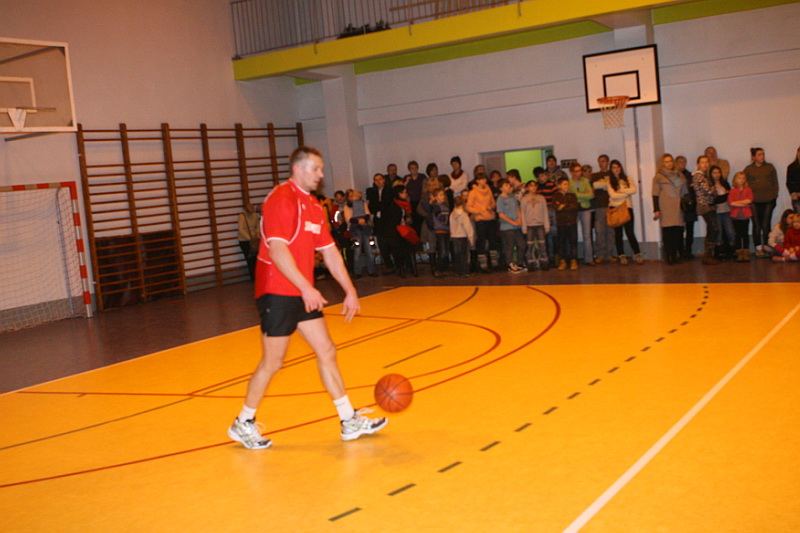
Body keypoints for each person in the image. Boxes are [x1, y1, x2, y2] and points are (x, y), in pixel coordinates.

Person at [227, 146, 387, 450]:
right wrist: (305, 287)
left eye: (321, 169)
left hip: (302, 292)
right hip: (277, 290)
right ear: (298, 169)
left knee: (326, 349)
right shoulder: (281, 199)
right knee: (273, 361)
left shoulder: (313, 205)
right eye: (316, 169)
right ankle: (243, 422)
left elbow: (329, 251)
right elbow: (277, 250)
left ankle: (348, 420)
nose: (321, 174)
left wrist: (350, 290)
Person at [744, 147, 779, 257]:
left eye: (763, 154)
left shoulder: (770, 167)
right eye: (759, 154)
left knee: (766, 224)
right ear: (753, 157)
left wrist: (774, 195)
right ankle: (758, 247)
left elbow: (775, 183)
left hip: (768, 200)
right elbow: (745, 184)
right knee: (756, 224)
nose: (762, 156)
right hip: (754, 201)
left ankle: (766, 246)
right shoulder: (748, 169)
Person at [652, 154, 686, 265]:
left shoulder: (679, 175)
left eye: (670, 161)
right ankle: (669, 255)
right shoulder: (658, 176)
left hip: (678, 205)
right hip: (665, 206)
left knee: (678, 231)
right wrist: (656, 209)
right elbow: (655, 194)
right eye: (666, 161)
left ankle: (676, 254)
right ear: (662, 163)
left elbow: (685, 192)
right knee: (668, 232)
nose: (669, 163)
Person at [608, 159, 643, 265]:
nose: (616, 169)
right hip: (615, 209)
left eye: (618, 167)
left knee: (630, 232)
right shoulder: (609, 181)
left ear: (621, 168)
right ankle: (621, 255)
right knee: (618, 234)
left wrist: (622, 190)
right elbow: (613, 195)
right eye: (614, 167)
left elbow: (634, 190)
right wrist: (626, 194)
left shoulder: (628, 179)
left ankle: (637, 253)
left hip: (627, 208)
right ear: (611, 169)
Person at [692, 155, 720, 265]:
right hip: (705, 205)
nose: (705, 164)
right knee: (714, 228)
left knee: (711, 229)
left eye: (706, 162)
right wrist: (714, 188)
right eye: (702, 162)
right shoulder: (699, 176)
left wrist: (713, 190)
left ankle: (708, 256)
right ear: (698, 164)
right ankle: (707, 256)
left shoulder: (704, 176)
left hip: (709, 204)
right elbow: (709, 191)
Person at [466, 172, 497, 273]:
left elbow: (493, 202)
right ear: (477, 181)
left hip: (490, 217)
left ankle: (494, 262)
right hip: (480, 219)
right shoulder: (473, 192)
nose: (484, 181)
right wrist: (479, 211)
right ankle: (483, 264)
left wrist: (491, 207)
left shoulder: (488, 190)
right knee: (482, 241)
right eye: (482, 179)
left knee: (492, 240)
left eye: (485, 179)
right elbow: (468, 206)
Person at [344, 189, 377, 278]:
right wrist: (359, 221)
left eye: (353, 195)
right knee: (357, 251)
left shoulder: (363, 203)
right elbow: (348, 219)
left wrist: (364, 220)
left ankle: (372, 270)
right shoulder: (347, 207)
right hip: (355, 230)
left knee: (369, 250)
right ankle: (357, 272)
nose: (353, 197)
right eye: (350, 196)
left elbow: (367, 213)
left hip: (365, 228)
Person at [366, 173, 395, 274]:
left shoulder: (389, 191)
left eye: (380, 179)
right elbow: (371, 207)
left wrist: (379, 205)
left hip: (389, 220)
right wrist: (379, 206)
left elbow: (387, 204)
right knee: (382, 244)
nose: (378, 181)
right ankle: (388, 265)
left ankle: (397, 264)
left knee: (391, 243)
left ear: (384, 180)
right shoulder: (372, 193)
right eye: (376, 180)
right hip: (378, 221)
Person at [496, 178, 526, 272]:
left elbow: (517, 208)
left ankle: (520, 263)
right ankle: (510, 264)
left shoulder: (512, 196)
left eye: (509, 185)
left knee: (522, 244)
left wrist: (520, 219)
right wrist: (512, 222)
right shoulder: (500, 199)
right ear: (501, 188)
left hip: (517, 226)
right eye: (506, 185)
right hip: (507, 227)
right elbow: (501, 214)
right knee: (509, 246)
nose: (509, 187)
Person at [568, 162, 595, 265]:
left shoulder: (585, 181)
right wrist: (583, 194)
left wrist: (578, 195)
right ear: (571, 172)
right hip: (573, 209)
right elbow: (572, 196)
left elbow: (591, 195)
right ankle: (573, 258)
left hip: (585, 208)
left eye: (579, 171)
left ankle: (589, 259)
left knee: (587, 234)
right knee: (572, 234)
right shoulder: (569, 182)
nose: (578, 173)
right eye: (576, 171)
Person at [520, 179, 550, 271]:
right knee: (530, 245)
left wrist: (547, 225)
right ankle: (530, 262)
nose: (533, 187)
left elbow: (545, 212)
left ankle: (544, 261)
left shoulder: (541, 198)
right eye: (531, 186)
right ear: (527, 188)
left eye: (535, 185)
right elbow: (523, 213)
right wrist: (524, 226)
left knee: (542, 245)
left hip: (540, 224)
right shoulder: (524, 199)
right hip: (529, 225)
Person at [591, 154, 615, 264]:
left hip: (611, 206)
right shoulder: (595, 175)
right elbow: (593, 186)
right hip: (599, 206)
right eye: (599, 161)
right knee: (599, 231)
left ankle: (609, 254)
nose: (601, 163)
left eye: (603, 161)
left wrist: (604, 184)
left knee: (610, 231)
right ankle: (600, 254)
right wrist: (605, 184)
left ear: (608, 162)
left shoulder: (612, 174)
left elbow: (615, 186)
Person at [552, 177, 579, 270]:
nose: (567, 186)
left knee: (573, 241)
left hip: (572, 222)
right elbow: (556, 207)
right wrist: (567, 205)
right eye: (564, 184)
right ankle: (562, 260)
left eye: (568, 184)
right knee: (561, 242)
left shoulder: (572, 195)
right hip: (561, 222)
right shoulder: (556, 196)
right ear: (559, 186)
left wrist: (563, 205)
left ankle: (573, 260)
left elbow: (574, 207)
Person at [727, 171, 754, 262]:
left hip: (745, 216)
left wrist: (737, 203)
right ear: (735, 180)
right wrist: (743, 203)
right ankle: (739, 253)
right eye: (739, 178)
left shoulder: (748, 189)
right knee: (737, 235)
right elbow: (731, 202)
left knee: (745, 234)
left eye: (743, 178)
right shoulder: (732, 191)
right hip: (735, 216)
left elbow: (749, 200)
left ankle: (746, 253)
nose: (741, 180)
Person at [535, 166, 558, 265]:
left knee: (554, 234)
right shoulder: (536, 187)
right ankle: (548, 257)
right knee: (544, 236)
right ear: (537, 178)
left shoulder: (551, 185)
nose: (544, 177)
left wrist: (551, 211)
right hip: (540, 213)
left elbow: (556, 198)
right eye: (541, 176)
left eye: (545, 175)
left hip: (551, 210)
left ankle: (556, 257)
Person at [711, 165, 734, 260]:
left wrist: (723, 196)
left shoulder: (724, 183)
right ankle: (720, 252)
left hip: (726, 210)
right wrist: (724, 195)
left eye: (718, 172)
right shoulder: (710, 185)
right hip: (716, 211)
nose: (717, 174)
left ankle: (732, 251)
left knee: (730, 231)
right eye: (714, 172)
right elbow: (714, 200)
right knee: (719, 232)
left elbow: (730, 195)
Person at [675, 155, 697, 259]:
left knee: (690, 228)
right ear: (676, 163)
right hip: (678, 204)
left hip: (689, 205)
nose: (683, 164)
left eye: (684, 161)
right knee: (679, 229)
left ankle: (688, 251)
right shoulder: (674, 175)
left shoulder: (690, 175)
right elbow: (675, 186)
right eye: (680, 161)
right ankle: (680, 251)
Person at [449, 195, 475, 277]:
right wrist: (471, 239)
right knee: (464, 255)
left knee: (457, 255)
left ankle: (457, 271)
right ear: (463, 204)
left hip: (454, 236)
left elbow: (451, 226)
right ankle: (464, 271)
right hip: (462, 236)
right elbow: (468, 227)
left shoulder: (452, 214)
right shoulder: (464, 215)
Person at [429, 188, 451, 277]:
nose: (443, 197)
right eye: (440, 195)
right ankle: (438, 269)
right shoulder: (434, 207)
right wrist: (444, 227)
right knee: (442, 251)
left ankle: (444, 269)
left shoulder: (445, 207)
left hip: (446, 231)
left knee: (446, 251)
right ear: (435, 197)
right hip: (440, 230)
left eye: (443, 195)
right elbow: (435, 221)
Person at [237, 201, 260, 281]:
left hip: (254, 239)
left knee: (256, 258)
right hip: (244, 241)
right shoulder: (242, 216)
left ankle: (257, 275)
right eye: (249, 212)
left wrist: (257, 233)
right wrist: (250, 238)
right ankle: (253, 277)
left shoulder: (255, 215)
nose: (251, 214)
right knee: (250, 259)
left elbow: (258, 225)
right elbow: (241, 229)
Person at [786, 145, 800, 213]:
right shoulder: (791, 167)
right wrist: (792, 193)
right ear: (797, 153)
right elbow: (789, 182)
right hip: (797, 197)